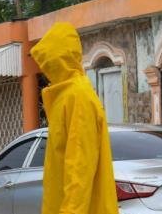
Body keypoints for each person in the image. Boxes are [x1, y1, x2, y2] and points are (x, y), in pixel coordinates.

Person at [31, 22, 117, 214]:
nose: (45, 70)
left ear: (58, 59)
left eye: (48, 63)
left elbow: (80, 166)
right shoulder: (66, 96)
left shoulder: (77, 97)